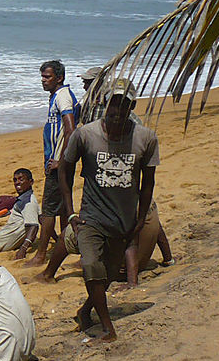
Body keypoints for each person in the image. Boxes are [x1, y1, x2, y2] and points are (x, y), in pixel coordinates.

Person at [60, 79, 159, 342]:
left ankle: (85, 311)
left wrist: (140, 218)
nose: (117, 110)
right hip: (91, 219)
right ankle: (106, 327)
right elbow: (64, 170)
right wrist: (70, 213)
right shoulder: (86, 135)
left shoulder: (145, 138)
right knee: (91, 266)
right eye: (113, 103)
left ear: (132, 107)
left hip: (124, 221)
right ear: (105, 103)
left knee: (109, 275)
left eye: (124, 104)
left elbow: (148, 182)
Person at [32, 199, 174, 286]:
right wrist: (168, 259)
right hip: (141, 263)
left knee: (69, 233)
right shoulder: (145, 198)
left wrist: (132, 282)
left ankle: (48, 275)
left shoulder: (123, 204)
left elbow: (130, 243)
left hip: (120, 270)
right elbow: (159, 232)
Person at [26, 60, 80, 267]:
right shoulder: (57, 96)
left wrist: (62, 160)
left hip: (59, 163)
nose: (43, 81)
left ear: (59, 78)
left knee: (48, 210)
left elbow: (70, 129)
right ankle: (66, 246)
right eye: (42, 77)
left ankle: (41, 255)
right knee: (64, 208)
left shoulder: (63, 97)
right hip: (58, 161)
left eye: (47, 77)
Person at [0, 168, 40, 260]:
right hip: (1, 237)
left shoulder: (28, 202)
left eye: (21, 179)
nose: (17, 183)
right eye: (15, 180)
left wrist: (23, 248)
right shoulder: (28, 199)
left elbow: (34, 226)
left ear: (31, 182)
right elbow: (42, 219)